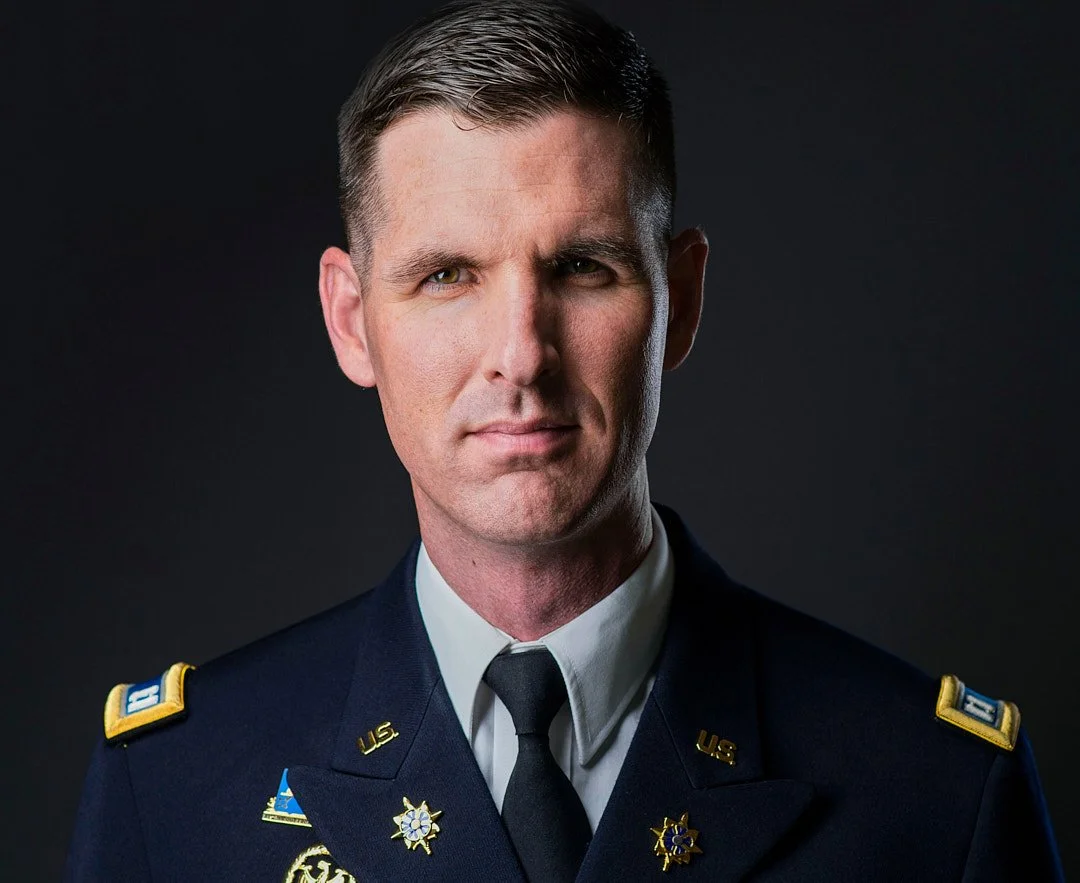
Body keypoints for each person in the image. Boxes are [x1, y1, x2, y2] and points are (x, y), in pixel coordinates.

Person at [65, 2, 1063, 880]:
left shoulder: (934, 795)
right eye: (448, 274)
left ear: (683, 301)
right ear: (351, 320)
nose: (521, 356)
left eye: (583, 267)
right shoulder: (178, 788)